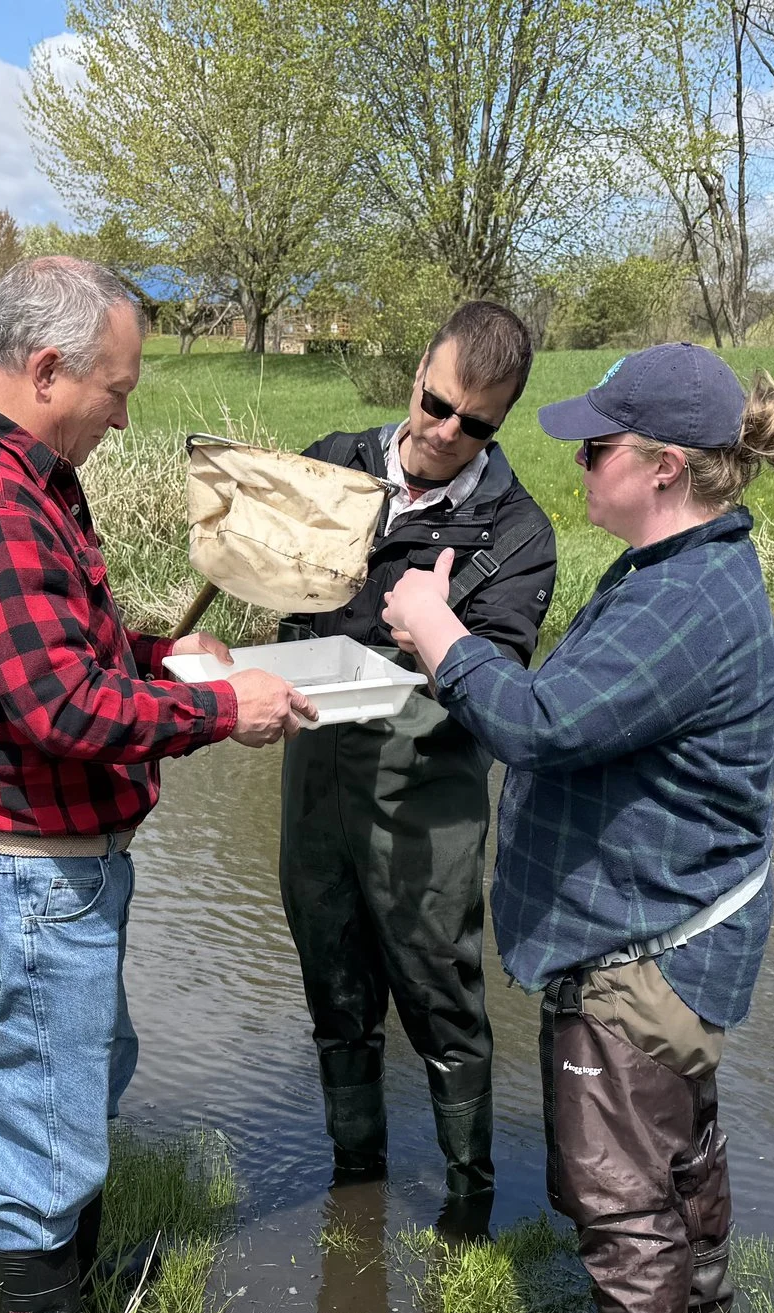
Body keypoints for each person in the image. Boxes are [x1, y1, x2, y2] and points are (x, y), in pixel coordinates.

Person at [0, 256, 315, 1313]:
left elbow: (61, 658)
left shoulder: (18, 476)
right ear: (47, 369)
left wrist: (160, 658)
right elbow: (59, 708)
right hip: (26, 875)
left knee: (81, 1077)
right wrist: (221, 707)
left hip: (44, 868)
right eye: (117, 392)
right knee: (47, 1122)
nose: (122, 417)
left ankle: (69, 1299)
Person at [383, 343, 774, 1313]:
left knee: (612, 1180)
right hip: (673, 930)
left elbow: (538, 723)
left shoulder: (686, 601)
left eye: (597, 447)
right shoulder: (676, 570)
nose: (575, 462)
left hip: (640, 950)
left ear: (663, 466)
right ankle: (700, 1303)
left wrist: (440, 634)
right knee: (677, 1138)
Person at [274, 302, 559, 1237]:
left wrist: (432, 636)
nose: (447, 432)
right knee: (334, 984)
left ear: (501, 422)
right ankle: (353, 1190)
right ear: (416, 378)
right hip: (314, 770)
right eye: (438, 404)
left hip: (428, 789)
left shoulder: (519, 535)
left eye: (476, 423)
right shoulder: (332, 467)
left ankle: (468, 1200)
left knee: (441, 993)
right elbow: (284, 607)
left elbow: (495, 682)